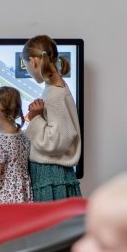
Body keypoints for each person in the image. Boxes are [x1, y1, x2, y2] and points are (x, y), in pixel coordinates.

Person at [21, 35, 82, 201]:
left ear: (33, 62)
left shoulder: (55, 95)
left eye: (26, 66)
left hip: (50, 176)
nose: (27, 70)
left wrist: (35, 118)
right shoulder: (56, 88)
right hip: (52, 175)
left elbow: (56, 141)